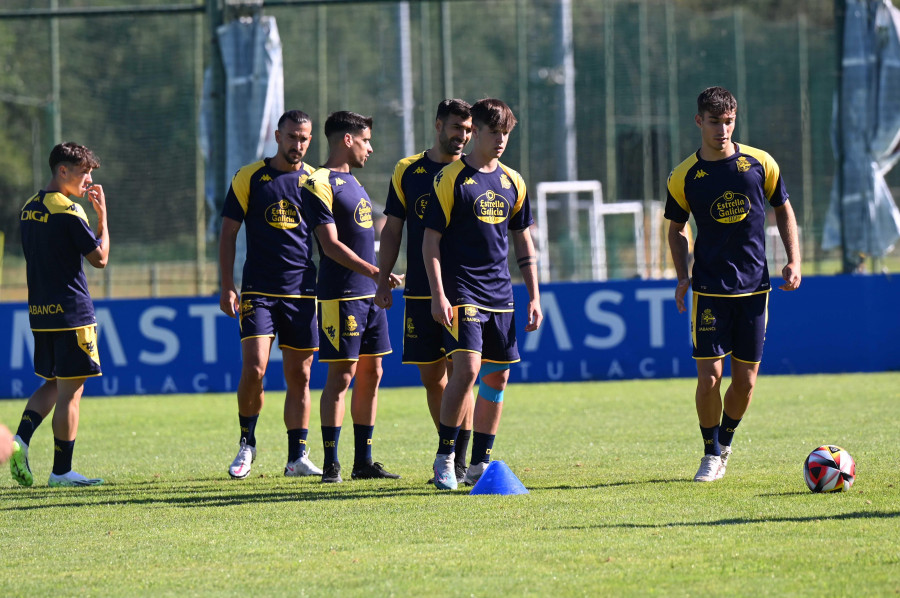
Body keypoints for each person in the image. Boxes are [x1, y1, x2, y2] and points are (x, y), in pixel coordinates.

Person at [664, 86, 801, 482]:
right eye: (714, 122)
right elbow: (676, 230)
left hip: (755, 289)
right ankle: (710, 453)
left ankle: (725, 441)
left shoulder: (760, 163)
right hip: (709, 291)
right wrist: (683, 276)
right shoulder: (685, 175)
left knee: (745, 383)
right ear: (698, 122)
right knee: (709, 378)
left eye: (728, 122)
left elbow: (784, 209)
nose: (722, 129)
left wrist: (793, 260)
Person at [422, 98, 543, 490]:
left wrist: (535, 297)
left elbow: (523, 243)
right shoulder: (451, 179)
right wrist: (439, 295)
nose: (502, 140)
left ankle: (479, 464)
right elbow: (430, 244)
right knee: (468, 369)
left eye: (507, 133)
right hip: (462, 290)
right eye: (495, 132)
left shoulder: (514, 181)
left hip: (501, 292)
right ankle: (445, 457)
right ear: (476, 132)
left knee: (499, 375)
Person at [374, 99, 476, 484]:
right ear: (438, 125)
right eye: (456, 128)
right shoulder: (408, 170)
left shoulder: (474, 172)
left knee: (463, 373)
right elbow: (393, 229)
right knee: (433, 378)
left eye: (467, 130)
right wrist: (382, 277)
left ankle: (457, 458)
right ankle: (448, 452)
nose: (462, 136)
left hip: (465, 290)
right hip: (419, 289)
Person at [219, 110, 323, 480]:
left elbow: (329, 239)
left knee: (301, 374)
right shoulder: (250, 177)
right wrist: (226, 284)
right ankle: (247, 443)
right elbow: (228, 233)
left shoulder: (315, 180)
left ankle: (297, 456)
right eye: (292, 136)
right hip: (258, 290)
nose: (298, 144)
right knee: (256, 368)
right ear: (278, 136)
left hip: (301, 292)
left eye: (305, 138)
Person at [301, 111, 403, 484]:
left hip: (370, 295)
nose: (370, 148)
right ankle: (331, 463)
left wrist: (380, 280)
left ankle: (364, 461)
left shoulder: (355, 183)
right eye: (365, 140)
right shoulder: (318, 182)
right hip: (341, 295)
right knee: (341, 376)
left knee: (372, 372)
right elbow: (329, 246)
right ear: (347, 139)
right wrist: (377, 273)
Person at [10, 142, 109, 488]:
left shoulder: (28, 208)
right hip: (73, 313)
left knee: (52, 382)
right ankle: (62, 471)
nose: (88, 181)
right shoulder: (68, 211)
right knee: (72, 391)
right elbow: (100, 259)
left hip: (40, 311)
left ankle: (20, 439)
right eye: (84, 173)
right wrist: (103, 217)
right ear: (62, 171)